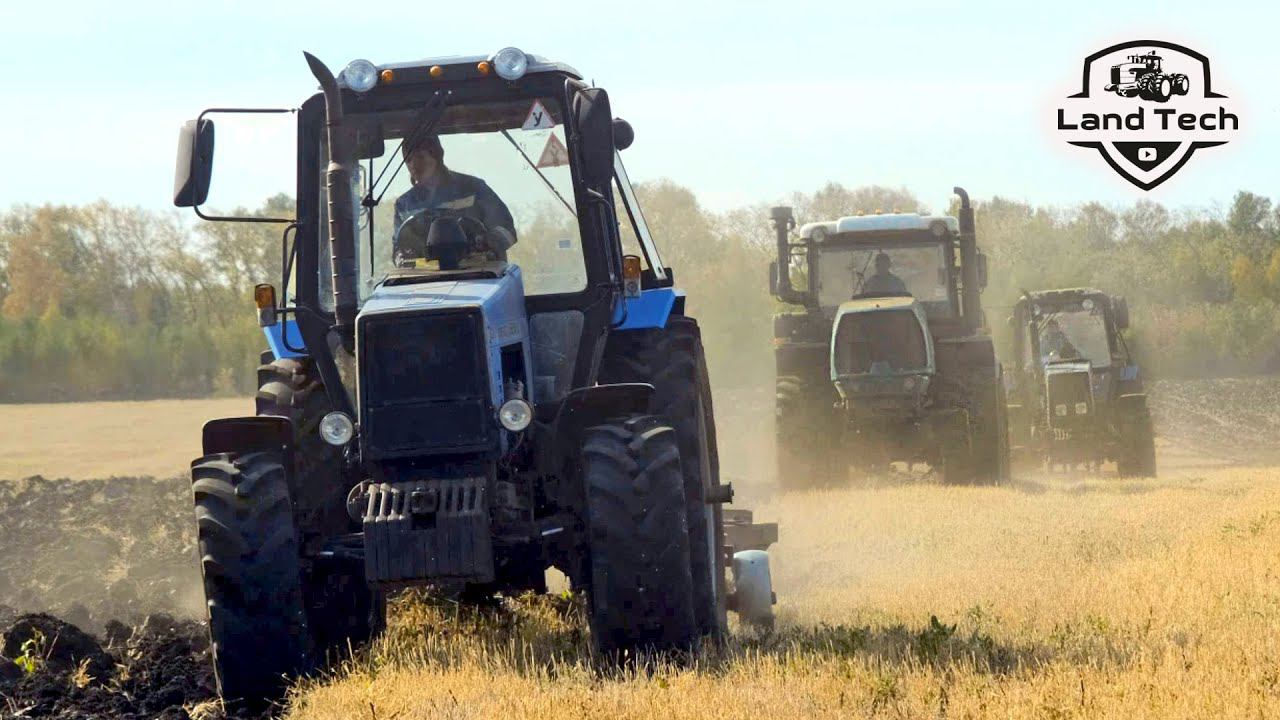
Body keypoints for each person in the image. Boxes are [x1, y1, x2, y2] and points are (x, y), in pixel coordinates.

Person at [393, 134, 517, 261]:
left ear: (436, 156)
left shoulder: (474, 188)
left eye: (420, 157)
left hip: (481, 276)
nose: (413, 165)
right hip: (425, 279)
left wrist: (489, 242)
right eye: (408, 160)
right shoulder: (404, 205)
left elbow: (506, 229)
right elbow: (399, 250)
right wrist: (402, 256)